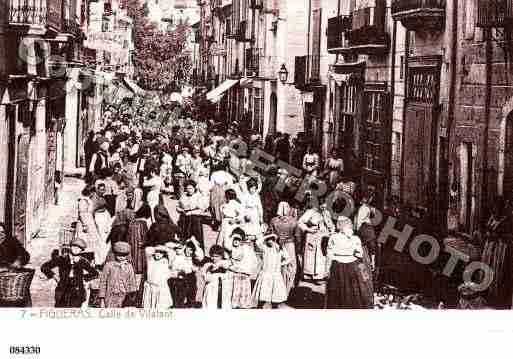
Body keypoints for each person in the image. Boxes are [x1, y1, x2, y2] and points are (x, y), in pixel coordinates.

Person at [325, 216, 374, 309]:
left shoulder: (333, 237)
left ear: (338, 225)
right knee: (352, 292)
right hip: (352, 266)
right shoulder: (355, 238)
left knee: (337, 292)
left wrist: (327, 270)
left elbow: (329, 255)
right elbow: (359, 255)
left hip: (337, 266)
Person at [41, 238, 98, 308]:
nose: (76, 249)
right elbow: (44, 267)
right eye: (74, 246)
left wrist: (84, 278)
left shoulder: (83, 261)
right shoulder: (62, 258)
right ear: (70, 247)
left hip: (77, 292)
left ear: (81, 250)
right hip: (62, 291)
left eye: (79, 248)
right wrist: (54, 276)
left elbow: (95, 273)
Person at [480, 198, 513, 309]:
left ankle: (497, 297)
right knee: (488, 268)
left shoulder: (506, 219)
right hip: (491, 247)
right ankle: (488, 292)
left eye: (496, 207)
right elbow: (489, 228)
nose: (494, 210)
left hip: (501, 249)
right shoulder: (493, 217)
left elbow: (504, 234)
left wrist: (495, 235)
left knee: (498, 271)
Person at [298, 203, 334, 282]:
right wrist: (308, 229)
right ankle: (309, 275)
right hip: (312, 236)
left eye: (325, 205)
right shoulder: (310, 212)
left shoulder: (326, 213)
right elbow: (300, 222)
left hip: (322, 237)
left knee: (321, 255)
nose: (324, 206)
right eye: (322, 205)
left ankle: (319, 275)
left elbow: (331, 225)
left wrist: (331, 230)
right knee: (311, 255)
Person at [251, 234, 290, 308]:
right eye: (268, 240)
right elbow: (257, 242)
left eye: (271, 239)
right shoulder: (264, 248)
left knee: (275, 298)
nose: (270, 241)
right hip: (266, 274)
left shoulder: (279, 249)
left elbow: (288, 259)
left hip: (275, 275)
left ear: (274, 240)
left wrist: (281, 264)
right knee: (262, 297)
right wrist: (268, 235)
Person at [270, 202, 299, 296]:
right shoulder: (293, 221)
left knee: (278, 266)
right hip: (290, 245)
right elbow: (297, 236)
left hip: (277, 245)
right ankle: (287, 289)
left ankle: (277, 289)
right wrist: (298, 248)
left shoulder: (273, 220)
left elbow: (270, 234)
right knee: (291, 268)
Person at [99, 242, 138, 308]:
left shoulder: (129, 266)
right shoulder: (109, 265)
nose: (122, 257)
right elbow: (103, 282)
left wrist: (132, 298)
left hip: (124, 296)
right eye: (119, 255)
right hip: (111, 295)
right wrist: (102, 298)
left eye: (124, 255)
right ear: (115, 254)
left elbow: (132, 282)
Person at [168, 238, 205, 308]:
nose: (190, 252)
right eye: (189, 249)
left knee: (191, 298)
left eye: (192, 250)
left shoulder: (194, 257)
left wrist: (194, 241)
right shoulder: (180, 255)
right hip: (180, 279)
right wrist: (186, 243)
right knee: (179, 300)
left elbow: (201, 255)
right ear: (185, 247)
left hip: (191, 277)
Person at [228, 228, 258, 309]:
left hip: (242, 273)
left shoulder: (246, 248)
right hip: (237, 273)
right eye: (234, 238)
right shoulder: (232, 248)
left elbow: (254, 262)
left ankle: (241, 305)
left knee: (242, 293)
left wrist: (246, 270)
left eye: (238, 238)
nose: (236, 241)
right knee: (236, 293)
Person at [142, 244, 175, 309]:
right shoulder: (150, 259)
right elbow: (147, 249)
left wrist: (164, 248)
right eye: (157, 252)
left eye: (160, 253)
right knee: (149, 306)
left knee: (160, 307)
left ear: (164, 254)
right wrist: (156, 248)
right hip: (150, 287)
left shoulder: (166, 261)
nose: (158, 254)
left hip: (161, 288)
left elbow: (172, 253)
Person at [201, 245, 233, 309]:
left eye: (217, 256)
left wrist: (220, 265)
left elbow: (229, 274)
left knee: (224, 306)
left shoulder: (225, 264)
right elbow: (206, 278)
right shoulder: (207, 265)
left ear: (221, 256)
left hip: (224, 289)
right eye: (212, 256)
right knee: (211, 305)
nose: (214, 258)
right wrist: (212, 271)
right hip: (211, 289)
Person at [177, 180, 206, 248]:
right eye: (187, 188)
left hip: (195, 219)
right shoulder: (183, 196)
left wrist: (191, 212)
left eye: (190, 188)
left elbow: (201, 210)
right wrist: (181, 210)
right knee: (184, 236)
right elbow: (177, 206)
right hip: (184, 219)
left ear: (194, 188)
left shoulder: (198, 196)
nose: (189, 190)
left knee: (196, 238)